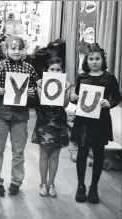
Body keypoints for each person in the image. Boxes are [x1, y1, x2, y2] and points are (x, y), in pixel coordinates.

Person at [0, 36, 39, 196]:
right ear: (6, 49)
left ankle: (16, 181)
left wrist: (32, 93)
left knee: (19, 150)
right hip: (0, 113)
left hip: (20, 115)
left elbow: (35, 93)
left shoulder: (29, 69)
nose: (16, 51)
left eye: (19, 48)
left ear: (24, 50)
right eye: (13, 48)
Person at [70, 43, 121, 204]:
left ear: (102, 60)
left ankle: (94, 187)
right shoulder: (82, 77)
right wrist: (73, 97)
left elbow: (117, 98)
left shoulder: (109, 77)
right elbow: (77, 96)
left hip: (101, 121)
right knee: (82, 154)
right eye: (91, 59)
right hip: (84, 121)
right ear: (87, 60)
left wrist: (110, 103)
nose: (94, 62)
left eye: (97, 58)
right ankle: (80, 186)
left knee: (98, 155)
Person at [31, 57, 70, 197]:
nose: (55, 71)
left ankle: (51, 184)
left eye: (58, 69)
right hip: (44, 119)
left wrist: (66, 90)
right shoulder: (40, 84)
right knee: (44, 154)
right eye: (51, 69)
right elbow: (42, 101)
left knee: (55, 155)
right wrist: (39, 87)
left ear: (62, 71)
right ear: (46, 71)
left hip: (59, 119)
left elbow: (65, 104)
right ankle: (42, 183)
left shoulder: (66, 84)